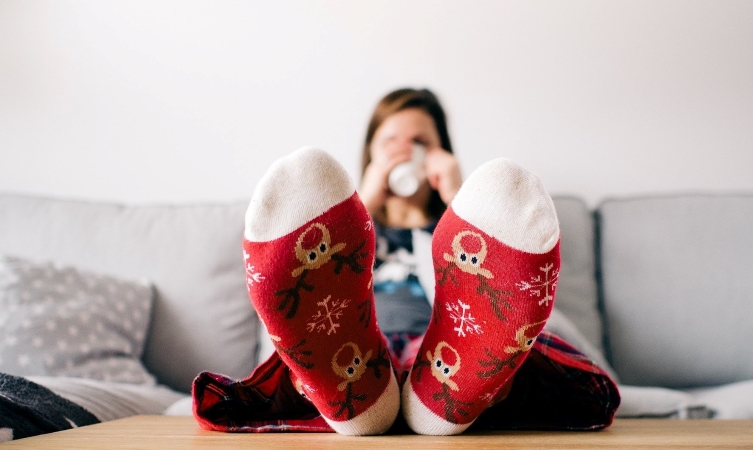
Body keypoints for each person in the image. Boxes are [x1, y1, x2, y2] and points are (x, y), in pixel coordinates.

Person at [191, 88, 619, 436]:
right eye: (391, 144)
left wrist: (459, 198)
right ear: (370, 157)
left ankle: (431, 395)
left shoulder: (467, 234)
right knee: (317, 355)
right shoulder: (344, 232)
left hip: (449, 345)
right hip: (352, 345)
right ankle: (372, 396)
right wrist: (364, 203)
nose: (406, 153)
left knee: (498, 353)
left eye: (421, 144)